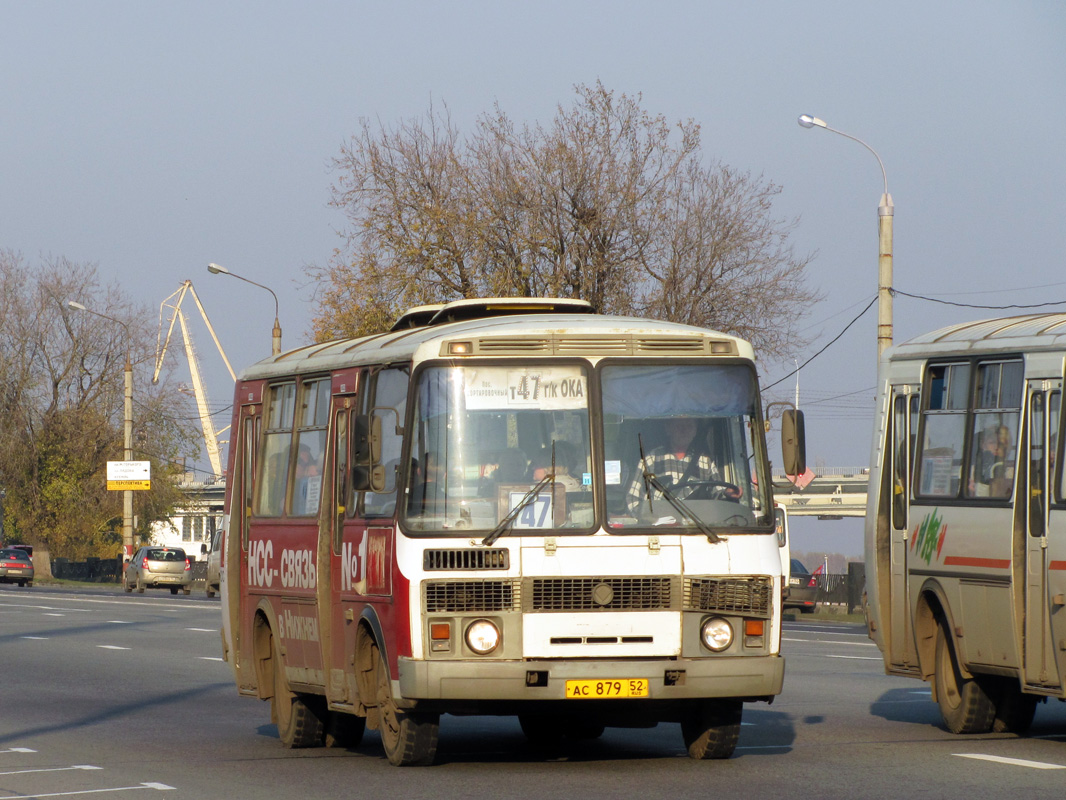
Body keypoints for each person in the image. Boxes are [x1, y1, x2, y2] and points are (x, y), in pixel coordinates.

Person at [626, 417, 739, 514]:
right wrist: (648, 521)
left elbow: (717, 496)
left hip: (698, 530)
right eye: (679, 426)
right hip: (661, 532)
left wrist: (727, 493)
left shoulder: (706, 462)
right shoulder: (652, 458)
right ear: (668, 429)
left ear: (695, 431)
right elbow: (633, 499)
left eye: (689, 426)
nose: (684, 430)